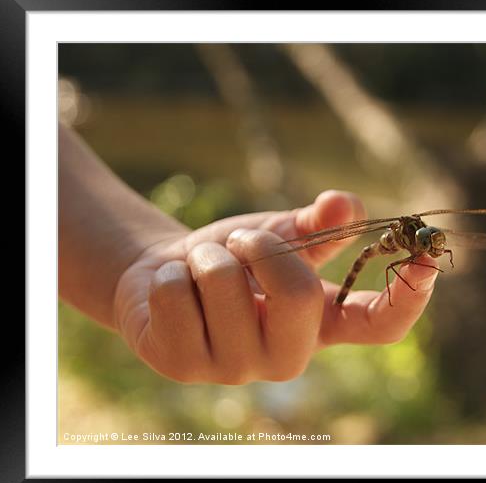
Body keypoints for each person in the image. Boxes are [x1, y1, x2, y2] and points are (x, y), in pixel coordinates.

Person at [59, 124, 438, 385]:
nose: (429, 244)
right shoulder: (396, 236)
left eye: (428, 241)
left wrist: (136, 259)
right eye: (425, 240)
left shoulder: (423, 235)